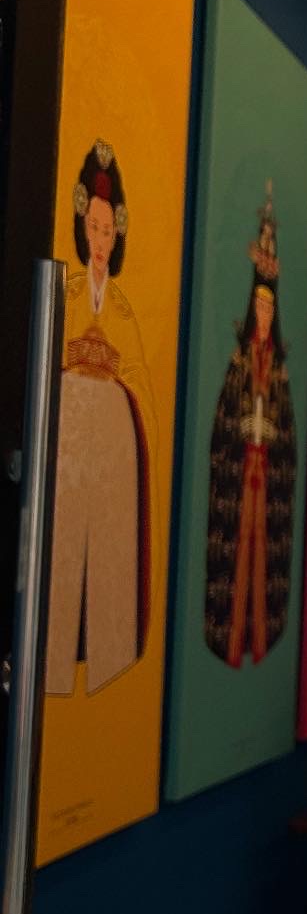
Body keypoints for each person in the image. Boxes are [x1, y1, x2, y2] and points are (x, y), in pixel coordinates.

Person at [45, 141, 157, 695]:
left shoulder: (122, 310)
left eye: (107, 231)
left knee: (108, 546)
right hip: (68, 442)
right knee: (62, 546)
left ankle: (105, 651)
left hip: (109, 445)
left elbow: (141, 389)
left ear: (118, 237)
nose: (99, 239)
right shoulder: (65, 295)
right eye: (92, 227)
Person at [205, 185, 298, 667]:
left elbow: (289, 433)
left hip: (265, 474)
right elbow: (223, 420)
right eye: (258, 308)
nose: (263, 316)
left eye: (269, 309)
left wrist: (273, 439)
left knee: (263, 557)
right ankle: (231, 641)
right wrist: (239, 434)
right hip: (240, 476)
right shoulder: (240, 364)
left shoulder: (277, 369)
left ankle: (260, 641)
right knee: (237, 556)